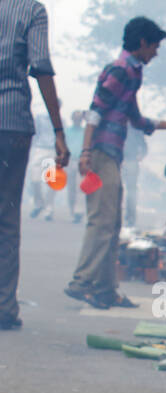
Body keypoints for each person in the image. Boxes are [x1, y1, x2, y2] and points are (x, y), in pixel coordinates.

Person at [65, 16, 166, 310]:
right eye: (154, 46)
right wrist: (86, 152)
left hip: (111, 154)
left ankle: (105, 290)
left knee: (112, 224)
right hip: (101, 153)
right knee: (102, 221)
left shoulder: (133, 72)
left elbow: (137, 120)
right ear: (143, 43)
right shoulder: (121, 70)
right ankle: (82, 281)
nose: (156, 52)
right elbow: (95, 110)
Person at [0, 0, 67, 330]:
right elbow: (40, 66)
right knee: (6, 218)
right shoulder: (31, 10)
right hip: (11, 123)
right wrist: (58, 129)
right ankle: (3, 307)